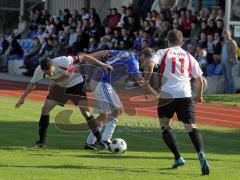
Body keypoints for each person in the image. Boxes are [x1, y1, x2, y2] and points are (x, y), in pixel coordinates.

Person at [143, 29, 210, 175]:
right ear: (182, 42)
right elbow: (199, 79)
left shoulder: (162, 52)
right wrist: (199, 95)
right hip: (185, 95)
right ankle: (201, 154)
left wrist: (146, 84)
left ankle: (178, 157)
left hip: (167, 95)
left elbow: (149, 64)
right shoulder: (188, 55)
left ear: (168, 40)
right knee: (191, 127)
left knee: (165, 126)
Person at [15, 54, 113, 148]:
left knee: (86, 113)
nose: (50, 74)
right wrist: (22, 98)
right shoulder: (39, 71)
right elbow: (33, 84)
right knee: (45, 110)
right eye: (47, 73)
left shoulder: (63, 61)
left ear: (53, 65)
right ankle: (41, 142)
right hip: (60, 87)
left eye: (50, 71)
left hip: (76, 84)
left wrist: (102, 64)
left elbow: (84, 57)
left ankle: (99, 140)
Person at [83, 50, 156, 150]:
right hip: (101, 81)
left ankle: (90, 143)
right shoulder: (133, 60)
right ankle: (104, 140)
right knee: (116, 110)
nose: (149, 64)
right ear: (143, 55)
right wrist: (155, 95)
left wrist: (90, 56)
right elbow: (139, 79)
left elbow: (106, 51)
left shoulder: (127, 54)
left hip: (99, 80)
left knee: (108, 113)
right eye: (149, 60)